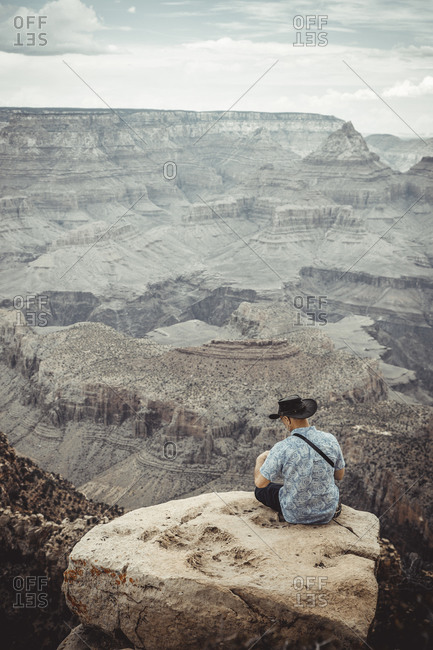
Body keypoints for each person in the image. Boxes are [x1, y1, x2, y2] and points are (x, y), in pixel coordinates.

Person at [254, 395, 345, 524]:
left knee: (262, 491)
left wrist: (260, 460)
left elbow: (260, 483)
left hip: (295, 515)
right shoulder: (330, 439)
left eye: (282, 420)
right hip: (327, 512)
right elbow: (339, 476)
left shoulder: (282, 447)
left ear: (287, 419)